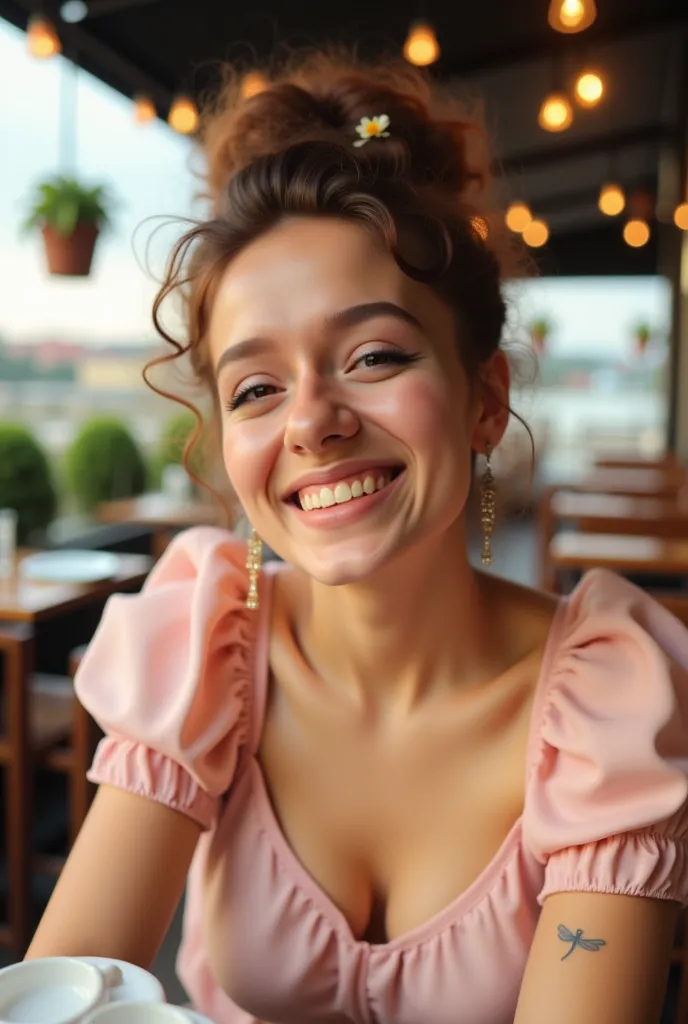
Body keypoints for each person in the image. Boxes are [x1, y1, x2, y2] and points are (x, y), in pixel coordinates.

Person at [26, 52, 688, 1024]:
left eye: (373, 355)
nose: (311, 420)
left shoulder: (607, 706)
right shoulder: (206, 650)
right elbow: (64, 997)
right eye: (256, 387)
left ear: (485, 399)